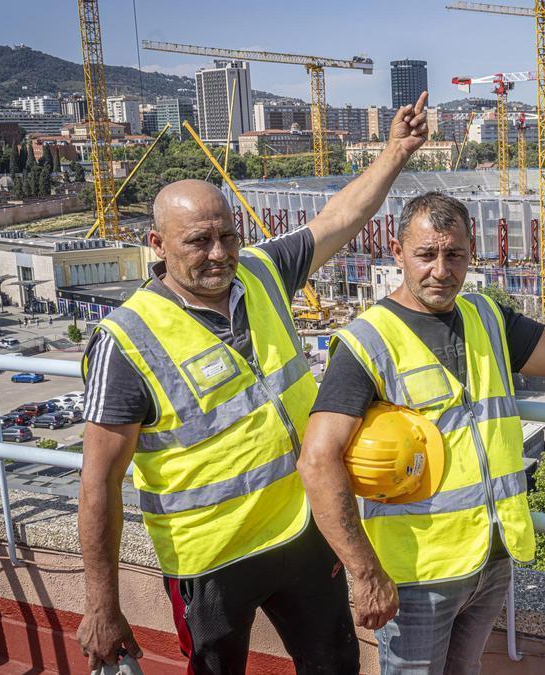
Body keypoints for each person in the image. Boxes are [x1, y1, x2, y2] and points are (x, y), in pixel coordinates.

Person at [76, 92, 432, 673]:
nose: (219, 254)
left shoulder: (261, 274)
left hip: (301, 532)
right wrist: (101, 605)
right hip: (212, 558)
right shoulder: (127, 341)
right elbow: (99, 484)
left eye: (228, 236)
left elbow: (340, 218)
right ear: (157, 246)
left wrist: (394, 152)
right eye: (198, 241)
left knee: (336, 664)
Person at [298, 192, 545, 673]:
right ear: (397, 252)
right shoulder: (369, 341)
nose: (441, 270)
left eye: (455, 255)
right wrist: (365, 573)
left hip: (492, 557)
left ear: (470, 254)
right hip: (417, 573)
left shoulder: (487, 317)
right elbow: (317, 460)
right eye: (426, 254)